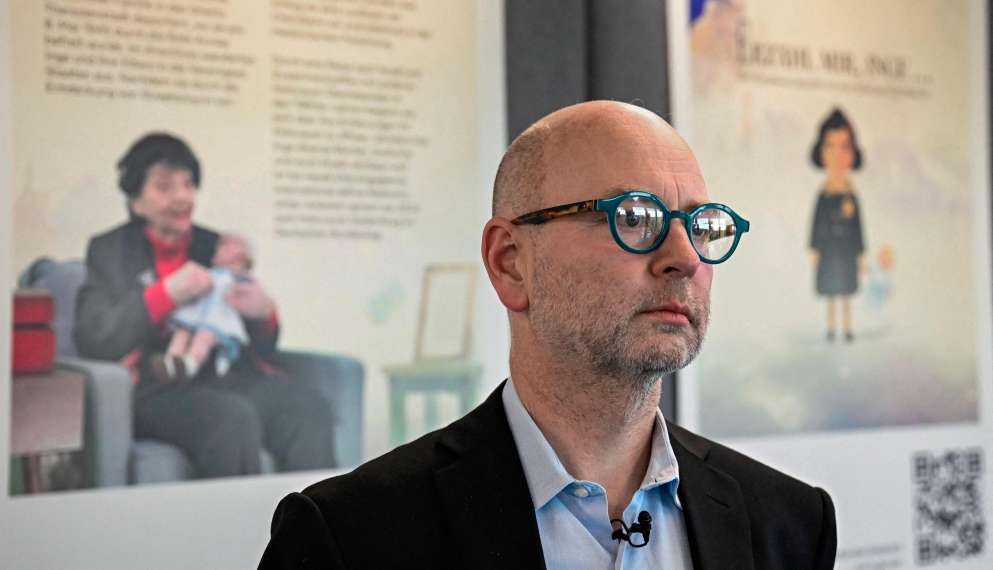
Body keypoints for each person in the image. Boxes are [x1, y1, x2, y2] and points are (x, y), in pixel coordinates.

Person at [258, 102, 836, 569]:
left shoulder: (786, 525)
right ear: (511, 261)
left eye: (702, 225)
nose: (683, 258)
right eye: (634, 218)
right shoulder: (351, 540)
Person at [74, 133, 337, 478]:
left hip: (226, 377)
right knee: (230, 416)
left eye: (188, 184)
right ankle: (239, 529)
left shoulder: (216, 245)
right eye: (165, 186)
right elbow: (95, 335)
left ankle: (317, 527)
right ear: (136, 201)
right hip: (158, 388)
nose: (183, 196)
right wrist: (165, 293)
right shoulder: (109, 251)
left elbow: (262, 347)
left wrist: (262, 314)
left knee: (306, 406)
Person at [156, 233, 253, 381]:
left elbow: (247, 295)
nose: (226, 248)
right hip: (196, 311)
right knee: (181, 333)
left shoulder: (240, 278)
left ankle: (190, 364)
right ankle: (170, 363)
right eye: (223, 245)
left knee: (204, 338)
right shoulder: (208, 273)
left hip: (219, 316)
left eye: (234, 246)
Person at [809, 108, 866, 342]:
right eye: (830, 146)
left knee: (845, 293)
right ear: (821, 151)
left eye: (844, 146)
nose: (837, 154)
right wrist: (814, 248)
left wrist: (861, 253)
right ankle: (832, 328)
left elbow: (858, 227)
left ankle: (848, 327)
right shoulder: (823, 193)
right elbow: (816, 222)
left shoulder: (852, 194)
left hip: (847, 252)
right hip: (829, 251)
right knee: (831, 292)